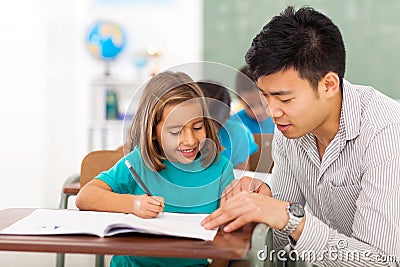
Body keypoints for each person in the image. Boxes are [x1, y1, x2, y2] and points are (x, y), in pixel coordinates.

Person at [202, 6, 400, 266]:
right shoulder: (291, 128)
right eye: (265, 96)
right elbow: (282, 239)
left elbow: (380, 261)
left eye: (284, 98)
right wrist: (263, 201)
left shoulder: (385, 132)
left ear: (328, 85)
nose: (272, 112)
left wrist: (288, 217)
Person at [76, 71, 235, 267]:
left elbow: (229, 236)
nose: (190, 140)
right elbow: (85, 197)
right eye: (176, 131)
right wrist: (133, 205)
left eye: (197, 127)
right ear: (152, 131)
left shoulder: (220, 169)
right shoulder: (139, 162)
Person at [198, 80, 258, 170]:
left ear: (226, 118)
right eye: (197, 127)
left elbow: (240, 179)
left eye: (213, 129)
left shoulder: (238, 134)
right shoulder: (175, 136)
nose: (205, 134)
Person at [232, 65, 275, 134]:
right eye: (250, 106)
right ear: (240, 100)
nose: (258, 112)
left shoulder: (283, 120)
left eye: (262, 103)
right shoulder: (233, 126)